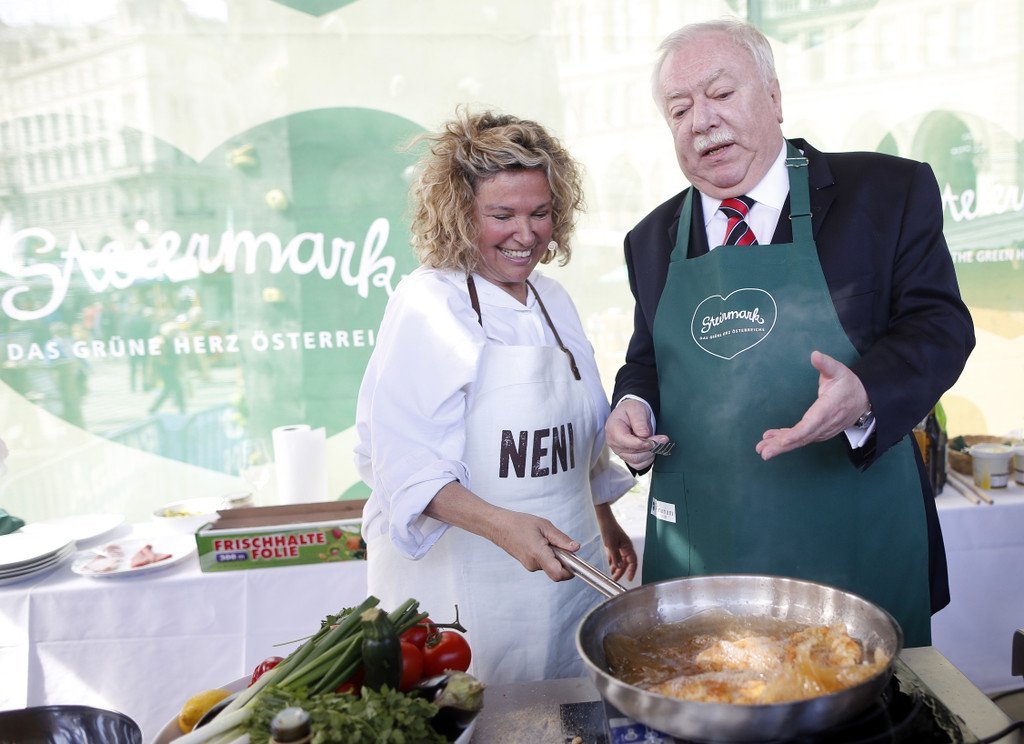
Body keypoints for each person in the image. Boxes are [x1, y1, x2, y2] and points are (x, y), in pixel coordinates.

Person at [605, 19, 975, 648]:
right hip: (707, 553)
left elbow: (940, 325)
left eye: (722, 94)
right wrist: (632, 404)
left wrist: (866, 392)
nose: (702, 122)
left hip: (853, 541)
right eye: (680, 109)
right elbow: (648, 359)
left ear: (774, 97)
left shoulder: (885, 193)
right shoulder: (649, 238)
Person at [354, 109, 637, 684]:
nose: (526, 235)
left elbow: (578, 434)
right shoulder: (429, 305)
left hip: (567, 575)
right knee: (485, 705)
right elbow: (406, 468)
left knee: (564, 701)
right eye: (502, 215)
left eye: (540, 213)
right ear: (460, 216)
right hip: (469, 590)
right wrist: (503, 524)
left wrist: (604, 517)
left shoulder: (554, 301)